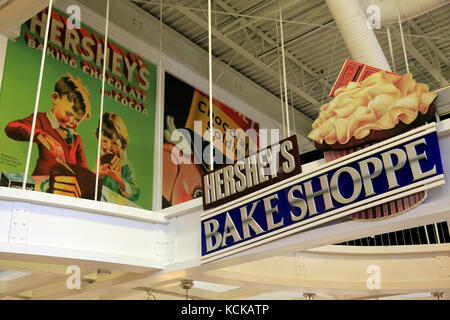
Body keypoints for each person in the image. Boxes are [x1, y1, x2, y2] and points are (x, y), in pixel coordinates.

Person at [5, 73, 91, 176]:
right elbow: (11, 128)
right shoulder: (41, 120)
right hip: (42, 184)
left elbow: (84, 171)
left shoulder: (76, 138)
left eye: (77, 120)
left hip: (66, 188)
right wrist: (42, 136)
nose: (72, 122)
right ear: (55, 98)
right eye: (68, 114)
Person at [95, 112, 140, 202]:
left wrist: (120, 181)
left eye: (114, 143)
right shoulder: (98, 159)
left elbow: (136, 195)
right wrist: (98, 174)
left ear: (122, 144)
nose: (109, 147)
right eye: (104, 141)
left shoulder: (126, 166)